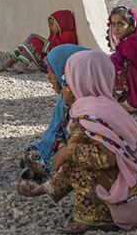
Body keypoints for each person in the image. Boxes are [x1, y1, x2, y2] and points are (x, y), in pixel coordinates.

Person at [15, 51, 137, 234]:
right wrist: (42, 189)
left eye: (67, 80)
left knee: (78, 162)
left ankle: (96, 218)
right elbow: (74, 163)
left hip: (124, 198)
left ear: (79, 83)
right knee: (75, 159)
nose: (64, 86)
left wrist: (67, 151)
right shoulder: (100, 108)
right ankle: (101, 211)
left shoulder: (93, 114)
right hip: (132, 194)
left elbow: (107, 157)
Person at [20, 43, 91, 181]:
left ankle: (55, 176)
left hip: (80, 156)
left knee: (34, 157)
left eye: (51, 71)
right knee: (31, 152)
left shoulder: (87, 107)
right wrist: (60, 145)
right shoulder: (64, 101)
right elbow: (57, 130)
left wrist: (65, 151)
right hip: (65, 150)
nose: (48, 76)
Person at [0, 9, 80, 73]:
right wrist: (40, 39)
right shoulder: (56, 35)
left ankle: (19, 65)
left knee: (34, 40)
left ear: (62, 22)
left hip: (55, 65)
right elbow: (50, 46)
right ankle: (10, 63)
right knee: (32, 38)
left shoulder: (68, 35)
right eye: (49, 25)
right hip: (49, 60)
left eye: (52, 24)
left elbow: (57, 51)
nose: (50, 27)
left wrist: (41, 39)